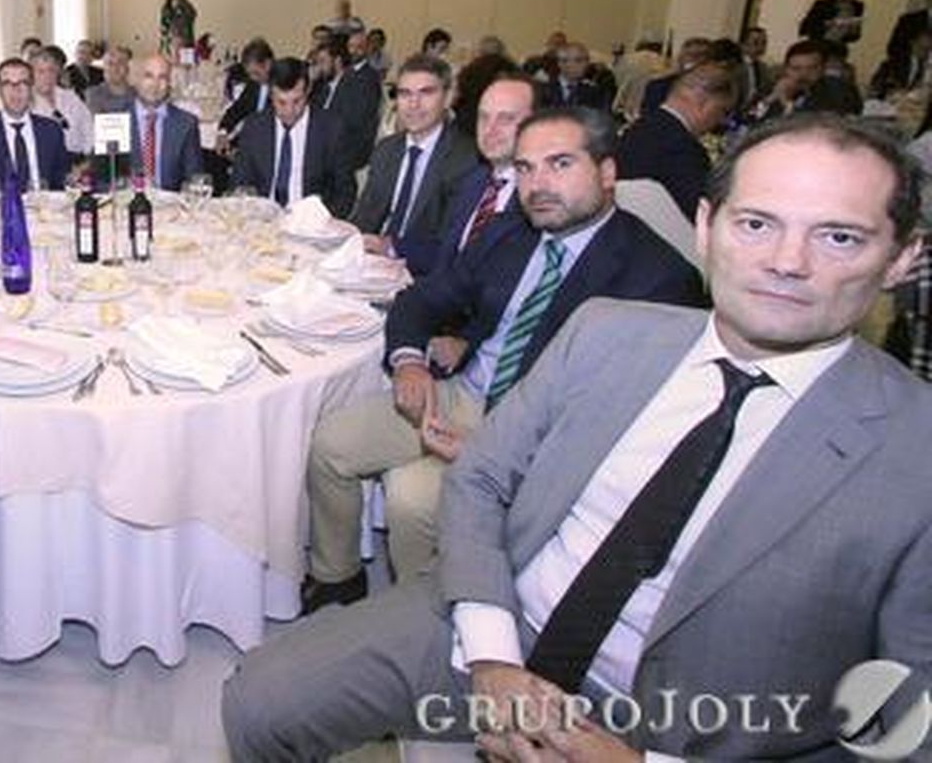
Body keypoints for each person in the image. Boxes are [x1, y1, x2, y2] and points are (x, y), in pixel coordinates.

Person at [226, 113, 932, 762]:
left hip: (688, 721)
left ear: (903, 258)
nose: (787, 261)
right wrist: (495, 659)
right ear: (708, 224)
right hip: (503, 621)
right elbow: (481, 479)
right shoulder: (608, 329)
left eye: (838, 236)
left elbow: (902, 736)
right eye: (756, 224)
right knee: (257, 700)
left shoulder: (913, 454)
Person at [298, 105, 705, 612]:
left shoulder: (658, 279)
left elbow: (633, 429)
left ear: (606, 172)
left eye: (559, 164)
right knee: (329, 443)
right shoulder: (511, 235)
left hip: (535, 437)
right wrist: (408, 362)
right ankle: (338, 575)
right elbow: (423, 300)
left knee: (411, 500)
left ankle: (424, 621)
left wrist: (499, 450)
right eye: (526, 168)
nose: (538, 184)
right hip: (461, 392)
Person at [349, 56, 478, 276]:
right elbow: (365, 218)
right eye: (405, 93)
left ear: (448, 98)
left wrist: (390, 247)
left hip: (423, 276)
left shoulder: (467, 160)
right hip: (369, 268)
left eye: (426, 93)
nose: (413, 104)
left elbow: (453, 248)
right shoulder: (387, 149)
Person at [426, 73, 539, 277]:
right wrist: (389, 246)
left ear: (537, 124)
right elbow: (444, 254)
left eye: (506, 119)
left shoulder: (540, 196)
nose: (490, 129)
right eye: (484, 117)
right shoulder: (473, 181)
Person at [229, 57, 355, 217]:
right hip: (262, 222)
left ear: (308, 90)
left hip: (311, 223)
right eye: (281, 102)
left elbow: (346, 192)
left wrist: (323, 221)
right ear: (270, 94)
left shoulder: (331, 129)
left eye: (297, 101)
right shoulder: (255, 127)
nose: (289, 111)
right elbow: (239, 184)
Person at [616, 64, 739, 220]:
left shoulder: (635, 129)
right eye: (723, 111)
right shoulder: (686, 150)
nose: (721, 120)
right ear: (704, 103)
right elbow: (701, 214)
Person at [0, 58, 69, 197]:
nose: (16, 90)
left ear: (31, 88)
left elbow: (61, 183)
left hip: (45, 212)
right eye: (8, 84)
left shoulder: (52, 131)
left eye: (23, 83)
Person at [127, 52, 203, 191]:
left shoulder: (186, 124)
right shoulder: (114, 120)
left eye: (162, 77)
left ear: (169, 83)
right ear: (136, 80)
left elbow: (194, 180)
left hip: (171, 207)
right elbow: (100, 180)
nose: (155, 85)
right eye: (148, 76)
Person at [333, 30, 386, 170]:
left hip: (356, 145)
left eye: (359, 47)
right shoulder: (348, 72)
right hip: (341, 139)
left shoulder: (370, 77)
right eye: (351, 46)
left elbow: (363, 116)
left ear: (367, 49)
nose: (354, 51)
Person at [29, 44, 93, 157]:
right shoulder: (27, 103)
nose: (47, 76)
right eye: (41, 71)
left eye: (51, 70)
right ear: (31, 75)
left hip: (80, 159)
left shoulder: (70, 96)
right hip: (46, 163)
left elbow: (88, 126)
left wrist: (87, 159)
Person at [218, 38, 276, 142]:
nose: (253, 78)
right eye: (249, 74)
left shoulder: (282, 87)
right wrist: (223, 132)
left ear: (268, 64)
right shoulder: (254, 84)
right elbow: (237, 109)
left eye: (256, 73)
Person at [799, 0, 866, 50]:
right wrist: (829, 24)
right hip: (818, 44)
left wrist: (853, 30)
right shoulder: (822, 4)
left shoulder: (857, 7)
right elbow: (807, 27)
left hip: (838, 47)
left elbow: (855, 36)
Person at [539, 42, 609, 111]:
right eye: (578, 61)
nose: (584, 65)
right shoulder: (543, 90)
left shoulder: (596, 93)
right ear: (562, 63)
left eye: (586, 61)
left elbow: (603, 119)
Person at [85, 45, 137, 115]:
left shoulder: (140, 95)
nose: (115, 68)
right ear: (104, 68)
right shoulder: (93, 95)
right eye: (110, 63)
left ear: (128, 67)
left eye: (120, 62)